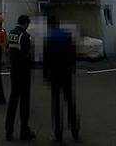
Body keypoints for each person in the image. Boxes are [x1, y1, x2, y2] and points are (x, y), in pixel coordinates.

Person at [44, 16, 80, 144]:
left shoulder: (49, 38)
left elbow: (46, 59)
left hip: (55, 74)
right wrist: (72, 69)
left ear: (49, 25)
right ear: (58, 24)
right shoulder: (67, 35)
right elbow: (72, 53)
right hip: (66, 73)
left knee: (56, 104)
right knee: (70, 101)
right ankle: (75, 130)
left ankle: (58, 135)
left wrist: (46, 76)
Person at [5, 15, 35, 141]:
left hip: (14, 71)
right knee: (24, 102)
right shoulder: (25, 36)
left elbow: (8, 50)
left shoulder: (11, 33)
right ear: (25, 23)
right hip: (23, 72)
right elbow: (28, 55)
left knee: (13, 100)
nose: (28, 26)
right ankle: (24, 130)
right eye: (28, 24)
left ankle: (9, 131)